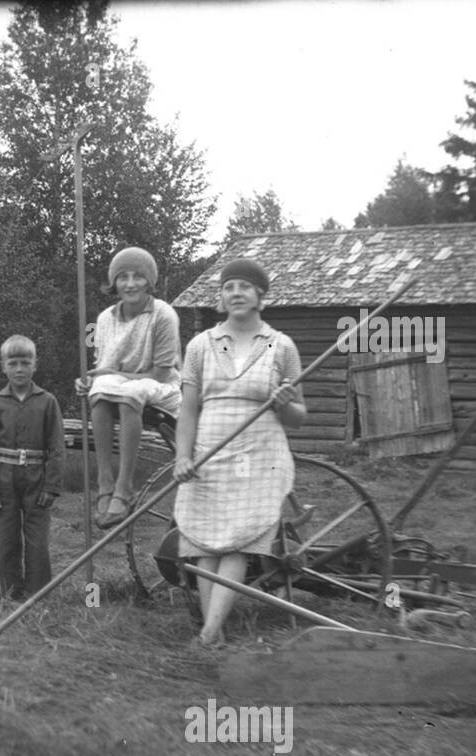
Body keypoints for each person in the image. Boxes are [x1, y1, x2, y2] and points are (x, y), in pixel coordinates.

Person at [172, 258, 306, 647]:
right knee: (204, 541)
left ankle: (211, 630)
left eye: (244, 287)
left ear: (260, 295)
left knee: (239, 539)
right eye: (229, 287)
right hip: (208, 454)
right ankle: (212, 631)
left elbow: (299, 417)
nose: (236, 293)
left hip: (258, 454)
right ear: (221, 297)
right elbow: (189, 408)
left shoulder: (282, 347)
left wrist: (284, 403)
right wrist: (183, 456)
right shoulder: (200, 345)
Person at [74, 246, 182, 528]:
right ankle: (105, 482)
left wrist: (110, 373)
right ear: (114, 282)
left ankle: (125, 488)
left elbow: (161, 373)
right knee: (99, 391)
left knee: (127, 394)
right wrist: (90, 380)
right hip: (119, 384)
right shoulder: (103, 319)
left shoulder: (163, 315)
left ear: (149, 281)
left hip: (162, 385)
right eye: (123, 277)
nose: (131, 284)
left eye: (138, 277)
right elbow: (102, 366)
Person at [0, 335, 63, 600]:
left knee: (38, 543)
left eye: (25, 362)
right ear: (3, 366)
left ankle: (39, 595)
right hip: (3, 483)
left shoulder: (47, 401)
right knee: (6, 542)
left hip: (37, 483)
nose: (19, 369)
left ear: (35, 365)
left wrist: (51, 487)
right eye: (13, 363)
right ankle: (12, 595)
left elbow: (56, 448)